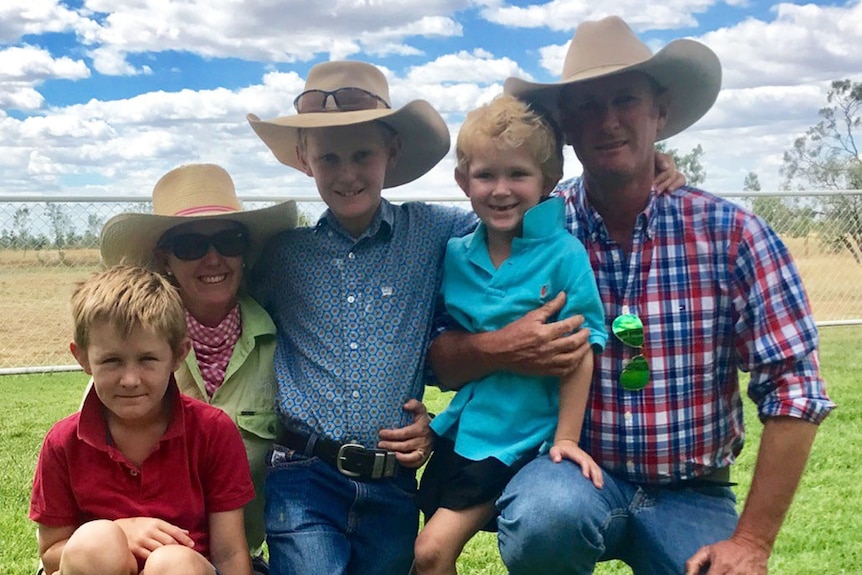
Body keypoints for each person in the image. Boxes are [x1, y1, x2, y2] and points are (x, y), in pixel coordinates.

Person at [429, 15, 835, 575]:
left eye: (625, 100)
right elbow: (441, 349)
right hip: (570, 472)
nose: (609, 120)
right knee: (545, 517)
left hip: (692, 490)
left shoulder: (731, 233)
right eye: (588, 106)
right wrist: (500, 348)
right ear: (566, 126)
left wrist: (753, 542)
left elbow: (795, 388)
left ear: (660, 111)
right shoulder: (532, 221)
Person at [245, 60, 477, 575]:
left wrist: (647, 173)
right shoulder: (282, 255)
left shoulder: (433, 231)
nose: (347, 173)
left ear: (391, 152)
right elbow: (212, 293)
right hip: (304, 473)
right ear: (305, 160)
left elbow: (517, 204)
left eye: (362, 154)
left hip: (391, 481)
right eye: (329, 158)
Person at [413, 94, 608, 575]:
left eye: (518, 174)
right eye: (485, 175)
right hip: (467, 431)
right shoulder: (456, 253)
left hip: (523, 435)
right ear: (464, 181)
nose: (501, 190)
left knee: (430, 550)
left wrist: (567, 437)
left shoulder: (564, 254)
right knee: (423, 545)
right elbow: (445, 339)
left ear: (547, 181)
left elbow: (582, 346)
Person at [98, 163, 298, 573]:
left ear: (245, 252)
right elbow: (92, 463)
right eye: (190, 244)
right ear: (164, 258)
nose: (213, 258)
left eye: (228, 240)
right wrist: (120, 530)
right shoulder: (130, 353)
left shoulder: (285, 346)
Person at [29, 265, 255, 575]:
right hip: (95, 567)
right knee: (96, 543)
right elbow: (52, 551)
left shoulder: (213, 431)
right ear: (82, 358)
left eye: (147, 359)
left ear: (178, 355)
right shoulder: (63, 442)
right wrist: (122, 531)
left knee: (173, 564)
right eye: (111, 361)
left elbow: (229, 554)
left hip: (186, 569)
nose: (130, 379)